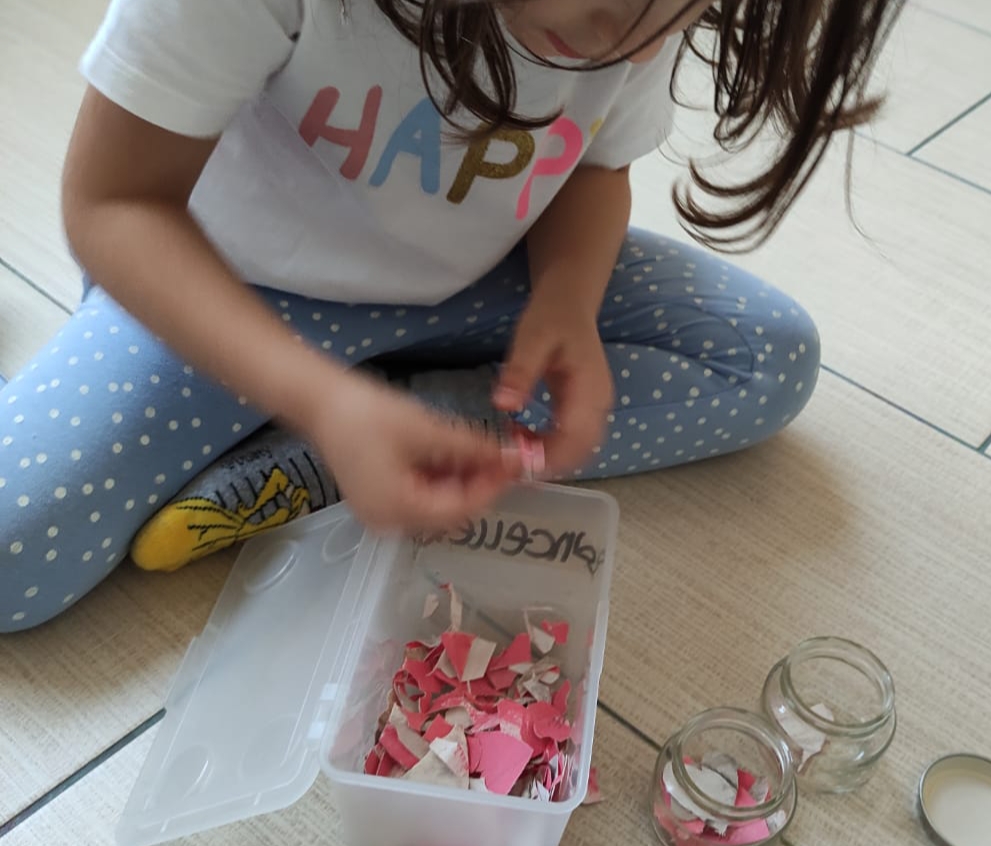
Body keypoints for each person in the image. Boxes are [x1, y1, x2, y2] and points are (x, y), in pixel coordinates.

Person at [0, 0, 896, 631]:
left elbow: (594, 167)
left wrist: (567, 298)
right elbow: (115, 204)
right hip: (233, 300)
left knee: (763, 356)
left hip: (479, 281)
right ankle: (348, 425)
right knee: (13, 551)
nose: (620, 39)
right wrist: (317, 396)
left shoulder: (631, 21)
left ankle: (356, 449)